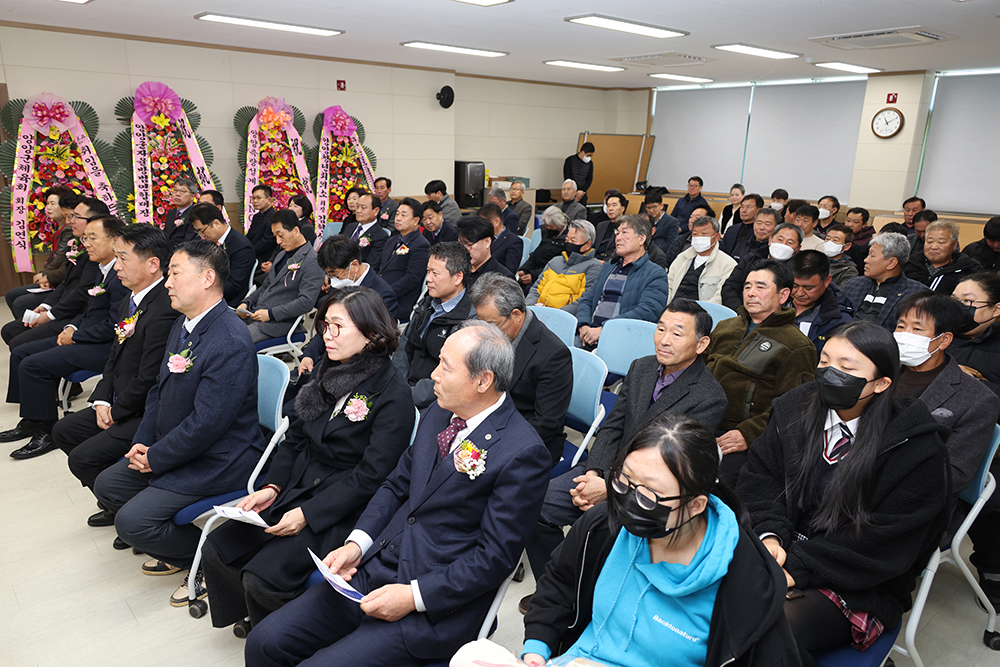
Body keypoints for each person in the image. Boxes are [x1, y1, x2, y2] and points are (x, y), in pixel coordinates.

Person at [244, 322, 552, 667]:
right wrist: (356, 545)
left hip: (433, 604)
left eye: (445, 367)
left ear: (483, 381)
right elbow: (396, 485)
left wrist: (414, 596)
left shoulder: (522, 453)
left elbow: (494, 558)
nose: (432, 375)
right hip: (376, 567)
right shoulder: (440, 412)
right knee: (264, 643)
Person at [737, 321, 950, 666]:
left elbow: (884, 544)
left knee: (767, 631)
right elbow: (760, 478)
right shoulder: (793, 409)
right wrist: (770, 536)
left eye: (846, 368)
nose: (828, 374)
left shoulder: (917, 451)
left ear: (882, 383)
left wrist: (797, 566)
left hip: (857, 581)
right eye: (824, 362)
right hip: (779, 551)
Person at [202, 286, 415, 626]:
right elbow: (295, 438)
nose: (326, 337)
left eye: (337, 327)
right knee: (218, 548)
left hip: (341, 506)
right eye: (324, 326)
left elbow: (371, 476)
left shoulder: (393, 394)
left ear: (372, 334)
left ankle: (280, 631)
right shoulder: (327, 370)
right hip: (298, 484)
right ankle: (249, 613)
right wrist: (273, 486)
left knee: (263, 578)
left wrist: (307, 514)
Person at [516, 414, 801, 667]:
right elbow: (559, 584)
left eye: (648, 495)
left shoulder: (744, 585)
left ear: (695, 505)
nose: (626, 500)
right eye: (623, 481)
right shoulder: (604, 526)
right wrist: (537, 649)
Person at [523, 299, 729, 610]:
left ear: (701, 344)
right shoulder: (642, 367)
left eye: (677, 333)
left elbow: (670, 468)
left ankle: (589, 598)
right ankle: (560, 591)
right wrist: (593, 473)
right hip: (607, 470)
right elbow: (613, 426)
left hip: (648, 495)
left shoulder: (709, 397)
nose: (663, 339)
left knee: (596, 532)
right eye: (660, 329)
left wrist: (609, 489)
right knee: (534, 506)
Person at [93, 240, 267, 600]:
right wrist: (142, 441)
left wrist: (155, 458)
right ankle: (178, 545)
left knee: (131, 522)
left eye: (174, 273)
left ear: (207, 278)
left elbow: (208, 424)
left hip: (219, 459)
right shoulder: (185, 323)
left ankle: (209, 559)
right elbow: (158, 389)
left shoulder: (229, 339)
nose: (167, 283)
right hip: (176, 445)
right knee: (108, 485)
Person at [51, 224, 176, 521]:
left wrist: (116, 412)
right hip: (121, 401)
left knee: (82, 458)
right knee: (63, 431)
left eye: (123, 258)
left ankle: (127, 507)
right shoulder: (128, 300)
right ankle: (116, 500)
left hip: (145, 411)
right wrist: (102, 400)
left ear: (153, 264)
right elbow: (113, 358)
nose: (116, 266)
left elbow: (149, 377)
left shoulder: (165, 308)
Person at [2, 216, 129, 458]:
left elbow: (115, 324)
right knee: (21, 351)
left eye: (93, 238)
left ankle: (48, 432)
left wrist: (77, 335)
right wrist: (71, 327)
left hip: (105, 346)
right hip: (87, 335)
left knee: (32, 365)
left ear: (114, 240)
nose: (87, 243)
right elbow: (89, 310)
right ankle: (32, 419)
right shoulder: (103, 269)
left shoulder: (121, 273)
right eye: (85, 238)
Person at [706, 259, 817, 485]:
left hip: (741, 433)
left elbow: (795, 406)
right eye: (747, 287)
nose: (751, 293)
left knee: (714, 483)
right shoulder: (726, 327)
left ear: (783, 295)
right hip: (702, 419)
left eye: (761, 287)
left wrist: (749, 433)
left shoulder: (796, 345)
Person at [893, 292, 999, 491]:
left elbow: (954, 473)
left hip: (912, 497)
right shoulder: (880, 374)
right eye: (901, 327)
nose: (905, 335)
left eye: (917, 328)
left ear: (943, 340)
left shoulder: (978, 399)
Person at [470, 273, 573, 467]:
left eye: (492, 325)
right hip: (487, 419)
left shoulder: (553, 355)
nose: (485, 331)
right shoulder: (493, 333)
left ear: (516, 315)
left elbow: (546, 423)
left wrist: (494, 441)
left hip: (525, 436)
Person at [2, 196, 104, 350]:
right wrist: (46, 305)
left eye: (76, 217)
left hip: (77, 315)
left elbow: (82, 292)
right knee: (9, 330)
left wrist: (50, 315)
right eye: (70, 216)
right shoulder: (78, 243)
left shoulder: (97, 252)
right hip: (65, 305)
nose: (70, 221)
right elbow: (67, 282)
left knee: (20, 344)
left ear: (95, 221)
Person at [394, 242, 475, 408]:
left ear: (458, 277)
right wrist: (398, 386)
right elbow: (404, 348)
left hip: (436, 401)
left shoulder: (469, 320)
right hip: (404, 390)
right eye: (428, 271)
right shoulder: (427, 304)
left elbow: (451, 374)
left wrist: (407, 396)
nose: (428, 279)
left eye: (435, 273)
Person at [576, 215, 669, 350]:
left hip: (622, 340)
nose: (618, 237)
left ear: (641, 239)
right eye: (617, 233)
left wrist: (605, 329)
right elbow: (587, 299)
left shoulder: (655, 273)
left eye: (624, 232)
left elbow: (647, 311)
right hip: (589, 334)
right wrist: (583, 325)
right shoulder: (608, 267)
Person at [238, 210, 323, 343]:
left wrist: (271, 314)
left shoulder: (312, 260)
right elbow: (266, 285)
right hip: (257, 314)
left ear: (296, 231)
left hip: (277, 324)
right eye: (275, 236)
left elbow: (306, 302)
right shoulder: (282, 255)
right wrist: (246, 303)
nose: (278, 241)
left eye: (281, 235)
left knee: (236, 340)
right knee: (223, 330)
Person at [5, 185, 75, 320]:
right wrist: (44, 273)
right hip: (56, 277)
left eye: (52, 204)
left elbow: (62, 259)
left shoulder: (69, 230)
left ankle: (31, 330)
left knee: (20, 302)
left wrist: (47, 276)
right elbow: (54, 257)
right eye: (47, 203)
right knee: (11, 295)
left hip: (63, 282)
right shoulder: (59, 227)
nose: (47, 207)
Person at [842, 232, 927, 332]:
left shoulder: (916, 294)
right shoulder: (854, 284)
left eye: (872, 256)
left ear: (891, 263)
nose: (865, 260)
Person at [721, 220, 800, 312]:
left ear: (798, 248)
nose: (783, 245)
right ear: (770, 240)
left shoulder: (799, 267)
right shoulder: (751, 259)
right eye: (780, 240)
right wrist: (741, 311)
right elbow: (730, 287)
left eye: (790, 242)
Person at [526, 219, 602, 314]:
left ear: (587, 245)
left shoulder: (594, 267)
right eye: (567, 239)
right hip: (539, 313)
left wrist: (556, 315)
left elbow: (584, 300)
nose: (568, 243)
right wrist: (529, 308)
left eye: (573, 240)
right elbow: (536, 289)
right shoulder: (555, 261)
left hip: (563, 317)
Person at [189, 202, 255, 307]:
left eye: (202, 231)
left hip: (228, 300)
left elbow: (235, 285)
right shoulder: (210, 241)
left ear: (216, 223)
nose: (201, 236)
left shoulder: (241, 246)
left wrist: (203, 293)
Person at [377, 197, 431, 320]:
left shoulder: (421, 245)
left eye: (404, 215)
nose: (398, 218)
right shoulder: (392, 240)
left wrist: (385, 293)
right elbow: (377, 265)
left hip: (398, 300)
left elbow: (411, 279)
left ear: (416, 220)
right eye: (397, 214)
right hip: (380, 294)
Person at [791, 251, 853, 355]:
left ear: (827, 281)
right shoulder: (774, 304)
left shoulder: (839, 321)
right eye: (795, 286)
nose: (800, 293)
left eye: (808, 288)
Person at [949, 273, 1000, 395]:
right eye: (954, 300)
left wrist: (974, 382)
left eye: (968, 301)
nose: (959, 306)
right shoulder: (940, 335)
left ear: (996, 309)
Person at [667, 215, 737, 305]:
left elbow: (719, 297)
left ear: (716, 237)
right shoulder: (682, 257)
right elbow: (668, 286)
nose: (698, 237)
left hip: (702, 313)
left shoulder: (728, 264)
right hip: (673, 309)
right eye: (695, 234)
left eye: (704, 234)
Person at [904, 220, 981, 295]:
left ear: (955, 245)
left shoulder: (969, 269)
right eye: (929, 242)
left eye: (941, 242)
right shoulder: (908, 264)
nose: (934, 247)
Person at [516, 206, 568, 290]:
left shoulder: (566, 241)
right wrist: (525, 270)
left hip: (548, 278)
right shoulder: (546, 234)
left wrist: (533, 276)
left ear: (559, 224)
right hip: (535, 272)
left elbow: (556, 267)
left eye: (551, 226)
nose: (548, 228)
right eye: (546, 225)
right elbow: (535, 256)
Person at [456, 215, 514, 286]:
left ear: (487, 242)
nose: (464, 250)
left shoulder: (502, 279)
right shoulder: (457, 271)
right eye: (461, 245)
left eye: (469, 245)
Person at [341, 193, 388, 265]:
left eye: (363, 207)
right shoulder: (350, 227)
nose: (358, 211)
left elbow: (371, 265)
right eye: (357, 206)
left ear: (376, 211)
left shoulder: (381, 236)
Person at [479, 202, 522, 275]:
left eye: (484, 224)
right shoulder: (483, 236)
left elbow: (509, 272)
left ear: (496, 222)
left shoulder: (513, 241)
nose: (481, 227)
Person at [719, 193, 765, 262]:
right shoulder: (732, 229)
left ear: (759, 210)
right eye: (742, 207)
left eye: (748, 207)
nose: (744, 210)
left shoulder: (760, 232)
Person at [591, 190, 629, 261]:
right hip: (595, 260)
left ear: (622, 208)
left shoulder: (627, 227)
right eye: (608, 206)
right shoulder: (601, 225)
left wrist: (605, 262)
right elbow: (593, 246)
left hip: (611, 262)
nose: (610, 209)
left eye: (614, 205)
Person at [246, 184, 277, 266]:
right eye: (253, 198)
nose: (255, 201)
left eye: (259, 198)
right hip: (253, 254)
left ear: (269, 199)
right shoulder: (256, 216)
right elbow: (249, 236)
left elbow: (267, 242)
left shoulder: (274, 217)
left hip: (264, 259)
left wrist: (249, 252)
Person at [164, 178, 199, 249]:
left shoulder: (195, 215)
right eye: (175, 190)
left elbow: (188, 243)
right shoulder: (171, 212)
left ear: (192, 196)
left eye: (182, 191)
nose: (177, 194)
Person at [646, 191, 681, 263]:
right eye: (648, 208)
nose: (651, 210)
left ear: (661, 206)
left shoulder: (672, 222)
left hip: (659, 257)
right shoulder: (645, 220)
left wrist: (651, 253)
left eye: (654, 207)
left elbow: (670, 244)